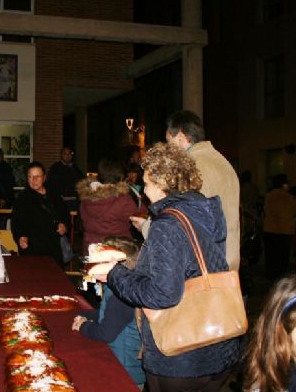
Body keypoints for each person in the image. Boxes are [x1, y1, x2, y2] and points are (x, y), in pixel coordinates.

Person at [96, 142, 240, 391]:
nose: (143, 188)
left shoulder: (167, 224)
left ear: (161, 183)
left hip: (183, 357)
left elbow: (162, 294)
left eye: (146, 182)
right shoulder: (204, 210)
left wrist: (114, 273)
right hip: (220, 343)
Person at [166, 110, 241, 271]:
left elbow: (180, 216)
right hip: (228, 257)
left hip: (205, 263)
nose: (169, 150)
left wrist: (146, 226)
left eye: (169, 143)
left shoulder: (191, 167)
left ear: (180, 137)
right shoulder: (222, 161)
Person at [72, 237, 145, 389]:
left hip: (125, 370)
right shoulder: (116, 286)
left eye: (96, 262)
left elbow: (106, 333)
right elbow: (108, 315)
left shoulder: (121, 296)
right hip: (119, 361)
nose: (90, 266)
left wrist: (83, 326)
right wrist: (87, 315)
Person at [11, 161, 70, 266]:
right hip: (33, 251)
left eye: (37, 176)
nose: (34, 180)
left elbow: (65, 214)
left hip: (54, 250)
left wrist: (64, 225)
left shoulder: (54, 194)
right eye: (30, 176)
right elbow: (16, 223)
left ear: (44, 177)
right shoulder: (22, 199)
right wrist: (21, 237)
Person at [77, 158, 138, 254]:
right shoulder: (122, 199)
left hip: (92, 248)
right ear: (120, 176)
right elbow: (139, 216)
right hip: (118, 249)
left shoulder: (85, 196)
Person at [263, 174, 296, 281]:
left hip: (269, 230)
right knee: (282, 257)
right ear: (284, 184)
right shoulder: (289, 197)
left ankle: (271, 277)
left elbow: (266, 210)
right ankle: (281, 279)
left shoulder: (269, 195)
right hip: (285, 231)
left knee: (271, 257)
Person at [46, 146, 84, 211]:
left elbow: (81, 181)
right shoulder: (55, 168)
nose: (67, 156)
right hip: (62, 203)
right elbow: (51, 185)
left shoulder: (75, 168)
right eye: (65, 154)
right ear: (61, 155)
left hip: (74, 202)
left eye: (69, 154)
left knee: (74, 220)